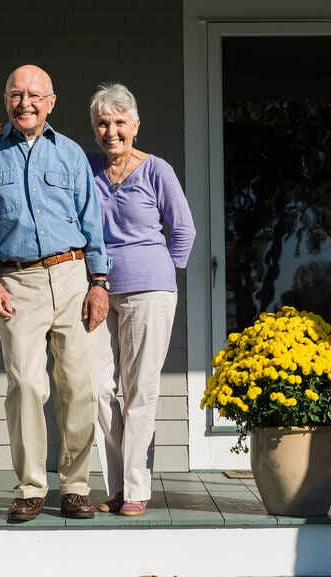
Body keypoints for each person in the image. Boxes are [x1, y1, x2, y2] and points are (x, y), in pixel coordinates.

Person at [0, 64, 111, 523]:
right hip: (16, 281)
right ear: (5, 100)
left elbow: (92, 224)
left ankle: (75, 487)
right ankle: (30, 486)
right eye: (16, 94)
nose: (25, 102)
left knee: (79, 385)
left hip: (71, 278)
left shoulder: (70, 154)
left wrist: (98, 283)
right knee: (26, 384)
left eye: (35, 95)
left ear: (51, 102)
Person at [88, 83, 195, 516]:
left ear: (135, 125)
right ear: (94, 128)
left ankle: (135, 489)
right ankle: (114, 486)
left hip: (149, 291)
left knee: (139, 391)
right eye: (102, 123)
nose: (111, 131)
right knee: (96, 389)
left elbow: (183, 232)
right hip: (95, 292)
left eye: (118, 122)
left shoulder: (157, 171)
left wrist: (159, 271)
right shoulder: (88, 170)